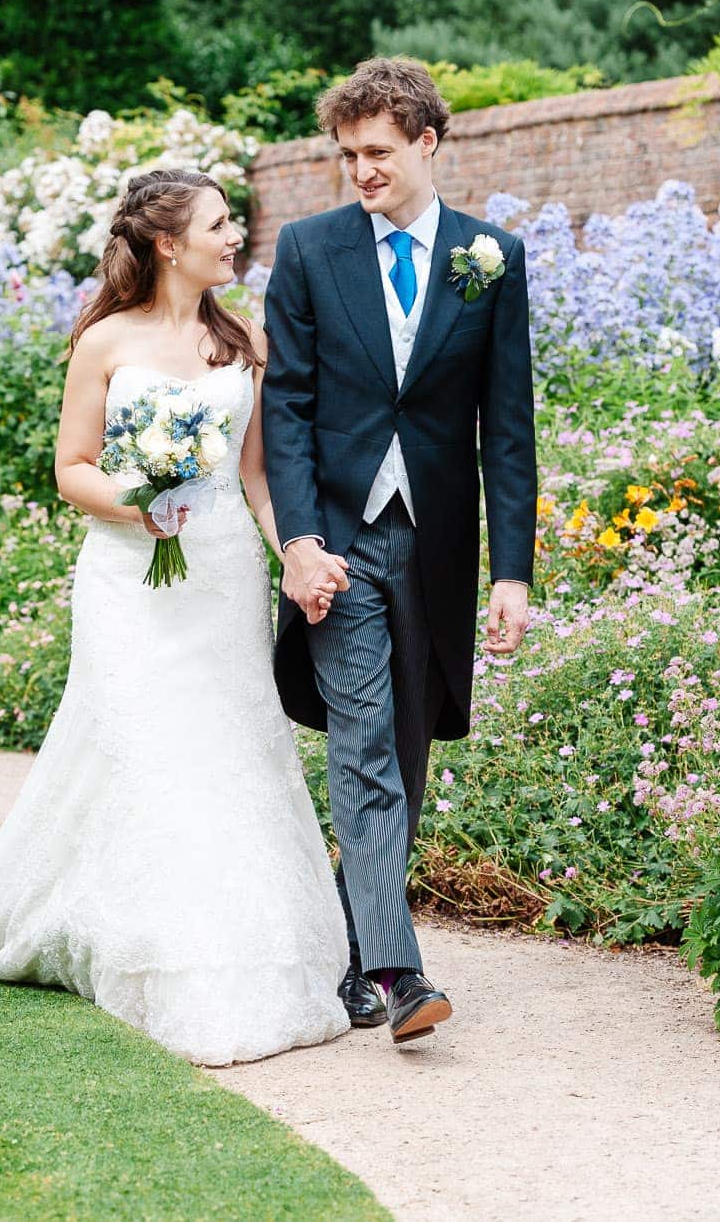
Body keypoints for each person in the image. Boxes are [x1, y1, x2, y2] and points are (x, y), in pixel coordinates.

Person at [0, 169, 351, 1067]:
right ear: (167, 244)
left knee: (229, 750)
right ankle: (158, 950)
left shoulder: (248, 343)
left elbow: (260, 476)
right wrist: (137, 500)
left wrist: (295, 558)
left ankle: (243, 946)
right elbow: (71, 466)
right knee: (151, 750)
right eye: (220, 225)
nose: (237, 239)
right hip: (128, 580)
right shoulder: (104, 343)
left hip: (223, 574)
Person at [262, 58, 536, 1043]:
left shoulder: (489, 257)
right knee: (365, 745)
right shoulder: (306, 250)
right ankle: (399, 971)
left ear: (425, 142)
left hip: (432, 545)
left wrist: (511, 570)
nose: (360, 171)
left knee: (407, 750)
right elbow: (283, 406)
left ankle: (347, 956)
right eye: (347, 155)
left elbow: (505, 428)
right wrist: (295, 541)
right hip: (335, 541)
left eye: (377, 152)